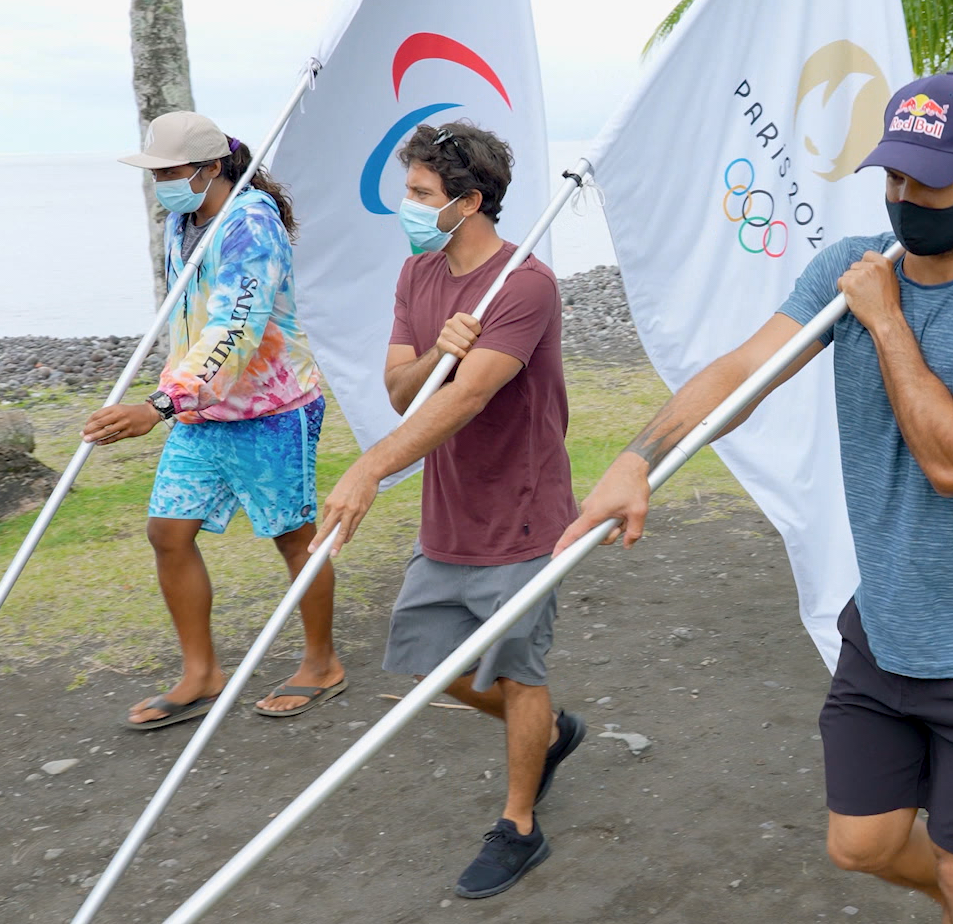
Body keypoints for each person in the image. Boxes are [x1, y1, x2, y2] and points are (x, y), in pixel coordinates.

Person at [559, 73, 953, 924]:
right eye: (893, 176)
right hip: (885, 627)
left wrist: (884, 320)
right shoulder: (850, 266)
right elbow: (740, 372)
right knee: (860, 844)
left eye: (929, 181)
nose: (905, 198)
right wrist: (636, 459)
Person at [309, 121, 584, 899]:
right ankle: (552, 735)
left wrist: (369, 467)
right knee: (430, 669)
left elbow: (469, 399)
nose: (408, 206)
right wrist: (441, 350)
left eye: (422, 194)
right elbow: (403, 389)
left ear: (468, 202)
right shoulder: (418, 277)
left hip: (524, 512)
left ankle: (519, 826)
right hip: (449, 512)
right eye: (410, 191)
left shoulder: (524, 284)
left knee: (517, 672)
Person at [84, 111, 337, 729]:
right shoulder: (180, 219)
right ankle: (201, 672)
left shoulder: (253, 224)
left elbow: (236, 329)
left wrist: (159, 406)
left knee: (293, 536)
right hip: (200, 410)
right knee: (168, 533)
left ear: (211, 167)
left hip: (271, 408)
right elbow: (188, 316)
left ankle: (322, 663)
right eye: (156, 172)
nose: (161, 183)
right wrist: (175, 392)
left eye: (170, 172)